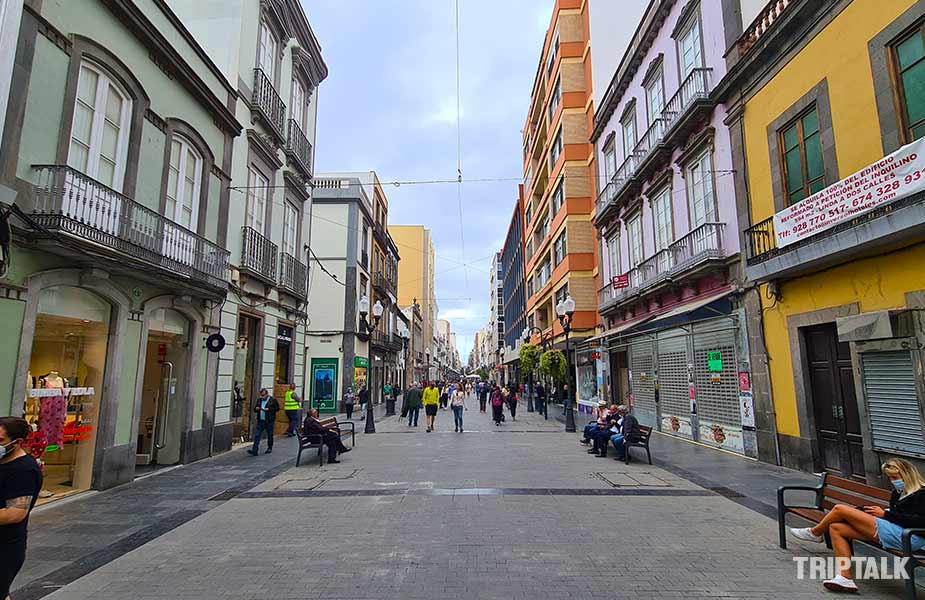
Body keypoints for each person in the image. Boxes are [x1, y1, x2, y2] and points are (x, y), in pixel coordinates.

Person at [789, 458, 925, 593]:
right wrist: (878, 513)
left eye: (895, 477)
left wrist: (886, 515)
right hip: (895, 531)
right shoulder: (898, 493)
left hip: (911, 537)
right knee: (836, 528)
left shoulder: (922, 494)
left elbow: (920, 522)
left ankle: (815, 533)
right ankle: (844, 578)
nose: (893, 481)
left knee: (839, 509)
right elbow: (897, 514)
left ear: (907, 474)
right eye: (890, 478)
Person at [0, 417, 42, 600]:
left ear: (18, 443)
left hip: (4, 547)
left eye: (0, 441)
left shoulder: (24, 471)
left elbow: (15, 514)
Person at [248, 388, 279, 455]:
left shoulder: (272, 400)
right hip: (261, 420)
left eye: (263, 395)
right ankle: (255, 450)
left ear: (267, 394)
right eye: (261, 395)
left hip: (269, 421)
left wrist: (269, 409)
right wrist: (256, 409)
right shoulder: (259, 400)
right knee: (257, 435)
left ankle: (269, 448)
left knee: (270, 435)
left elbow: (277, 408)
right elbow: (255, 409)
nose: (262, 397)